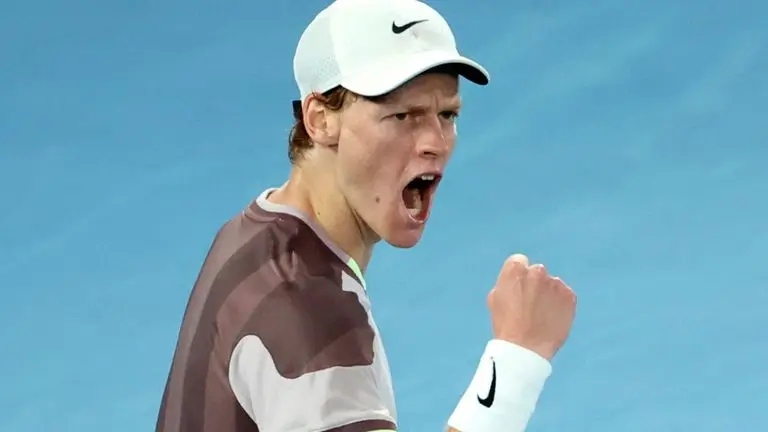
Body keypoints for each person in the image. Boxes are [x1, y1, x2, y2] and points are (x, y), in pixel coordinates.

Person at [155, 0, 577, 431]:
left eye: (447, 114)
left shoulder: (258, 231)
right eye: (402, 116)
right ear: (320, 120)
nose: (436, 141)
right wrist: (516, 360)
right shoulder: (308, 308)